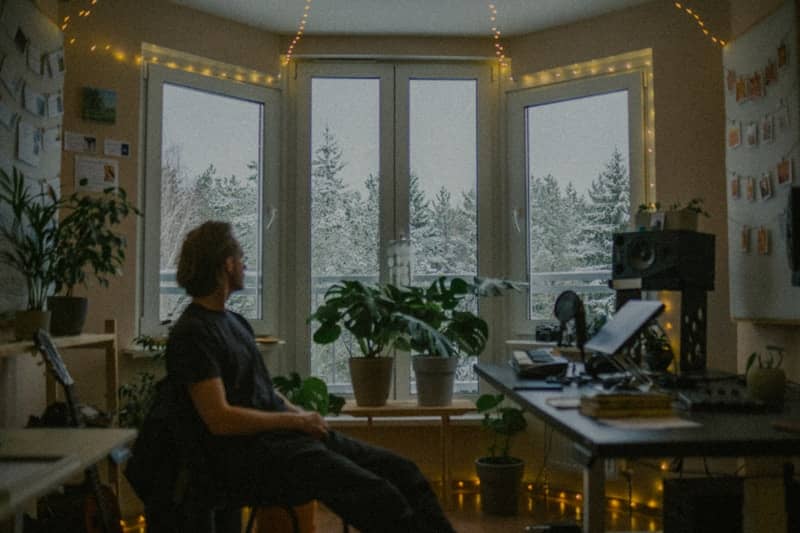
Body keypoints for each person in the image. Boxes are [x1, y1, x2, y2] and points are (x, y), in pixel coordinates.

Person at [165, 220, 455, 533]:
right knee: (380, 498)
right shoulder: (192, 333)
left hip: (283, 441)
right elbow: (220, 419)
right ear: (227, 264)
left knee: (403, 472)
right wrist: (295, 422)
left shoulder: (235, 322)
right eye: (241, 257)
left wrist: (301, 415)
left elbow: (264, 392)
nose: (246, 265)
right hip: (250, 457)